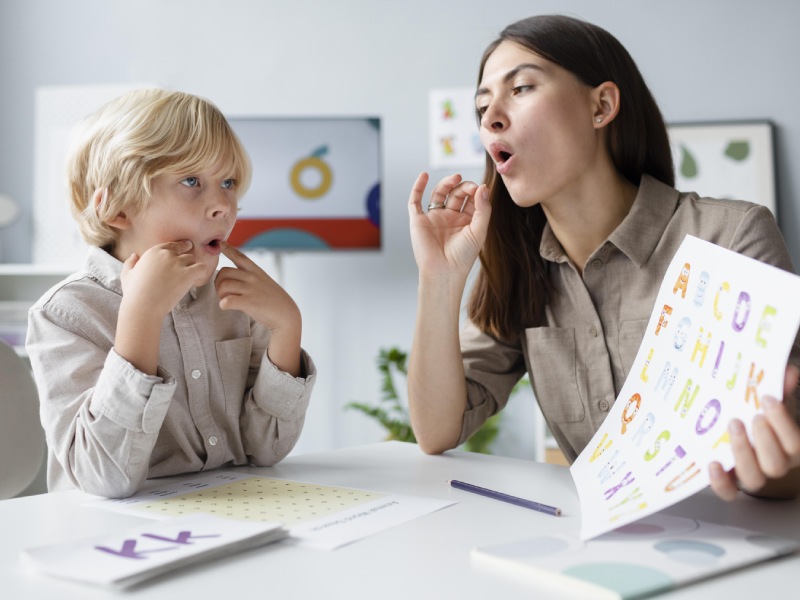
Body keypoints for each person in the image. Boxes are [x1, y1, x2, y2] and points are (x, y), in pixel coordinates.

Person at [407, 14, 800, 501]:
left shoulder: (733, 237)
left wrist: (774, 472)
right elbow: (437, 430)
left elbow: (789, 445)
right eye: (482, 106)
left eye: (522, 87)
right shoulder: (520, 267)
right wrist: (438, 278)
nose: (490, 117)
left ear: (602, 105)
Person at [26, 89, 316, 498]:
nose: (222, 206)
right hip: (109, 538)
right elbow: (103, 477)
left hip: (228, 515)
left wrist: (288, 328)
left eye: (228, 182)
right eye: (191, 181)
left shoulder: (235, 300)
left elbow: (265, 450)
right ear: (118, 210)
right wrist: (141, 316)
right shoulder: (66, 314)